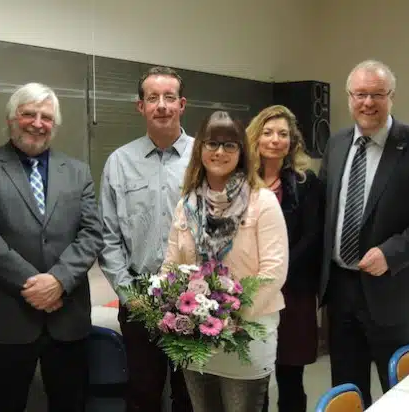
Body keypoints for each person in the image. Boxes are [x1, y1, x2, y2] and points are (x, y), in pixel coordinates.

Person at [0, 82, 103, 412]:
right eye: (28, 114)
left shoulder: (78, 171)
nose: (38, 123)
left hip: (67, 318)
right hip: (8, 318)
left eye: (46, 116)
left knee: (71, 404)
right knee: (4, 404)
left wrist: (58, 283)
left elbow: (92, 234)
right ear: (12, 119)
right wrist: (35, 285)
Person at [319, 59, 409, 406]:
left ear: (391, 96)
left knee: (404, 393)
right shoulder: (336, 145)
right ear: (349, 97)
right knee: (348, 390)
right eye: (360, 94)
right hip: (342, 292)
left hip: (397, 293)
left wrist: (391, 253)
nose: (368, 103)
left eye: (377, 94)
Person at [164, 110, 289, 412]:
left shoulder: (262, 201)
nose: (219, 152)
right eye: (212, 143)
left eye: (230, 145)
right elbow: (170, 266)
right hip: (197, 339)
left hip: (245, 335)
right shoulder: (188, 204)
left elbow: (274, 271)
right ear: (201, 149)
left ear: (241, 151)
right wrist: (170, 306)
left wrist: (230, 317)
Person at [99, 66, 194, 412]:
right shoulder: (119, 163)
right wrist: (129, 294)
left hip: (195, 301)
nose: (162, 105)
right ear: (140, 106)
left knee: (190, 395)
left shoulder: (206, 159)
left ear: (182, 104)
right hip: (139, 298)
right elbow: (108, 237)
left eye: (170, 97)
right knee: (142, 393)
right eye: (152, 98)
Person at [250, 105, 323, 412]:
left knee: (291, 376)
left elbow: (312, 237)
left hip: (294, 293)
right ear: (255, 138)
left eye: (283, 134)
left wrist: (276, 275)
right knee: (256, 376)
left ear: (292, 142)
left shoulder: (307, 184)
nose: (275, 140)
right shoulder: (241, 181)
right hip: (250, 293)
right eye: (267, 133)